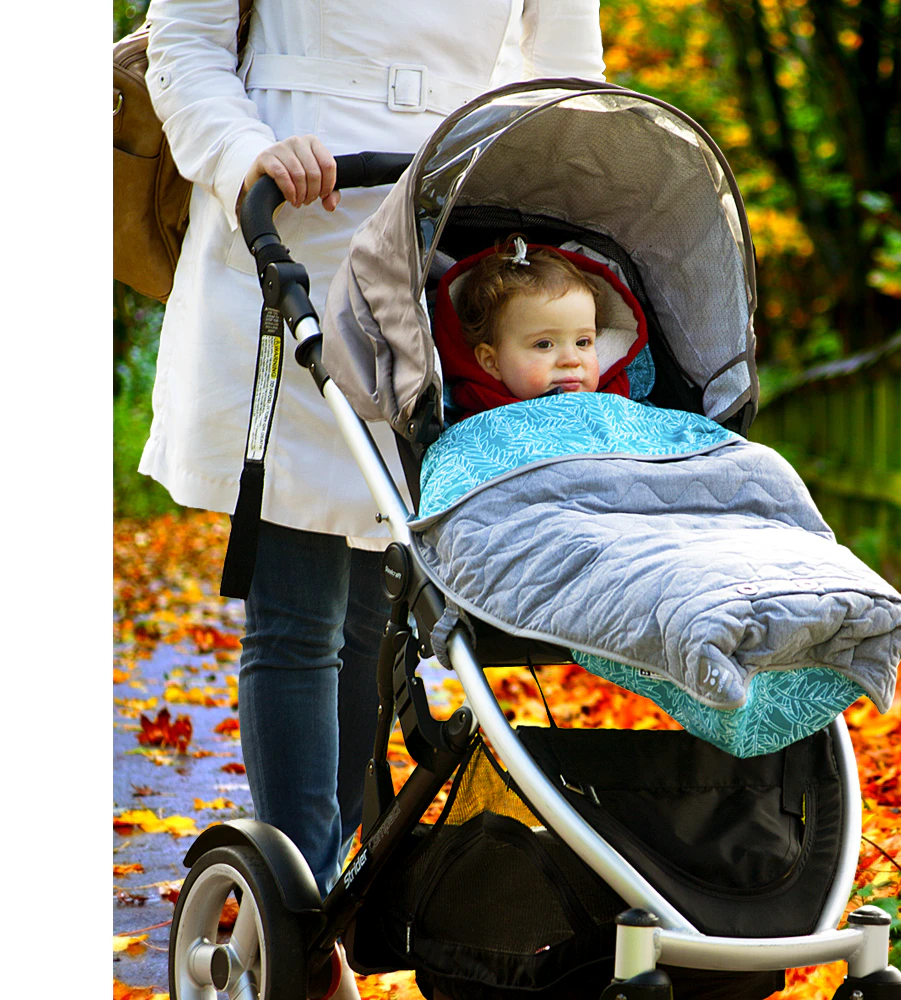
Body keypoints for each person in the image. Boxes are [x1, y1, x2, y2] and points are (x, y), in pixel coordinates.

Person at [141, 2, 605, 994]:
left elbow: (567, 86)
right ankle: (301, 913)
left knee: (369, 615)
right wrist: (245, 152)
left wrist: (533, 219)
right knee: (301, 603)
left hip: (438, 248)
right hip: (288, 227)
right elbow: (184, 40)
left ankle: (333, 890)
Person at [435, 237, 649, 419]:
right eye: (544, 344)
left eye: (583, 342)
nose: (571, 360)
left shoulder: (620, 401)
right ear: (493, 362)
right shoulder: (480, 421)